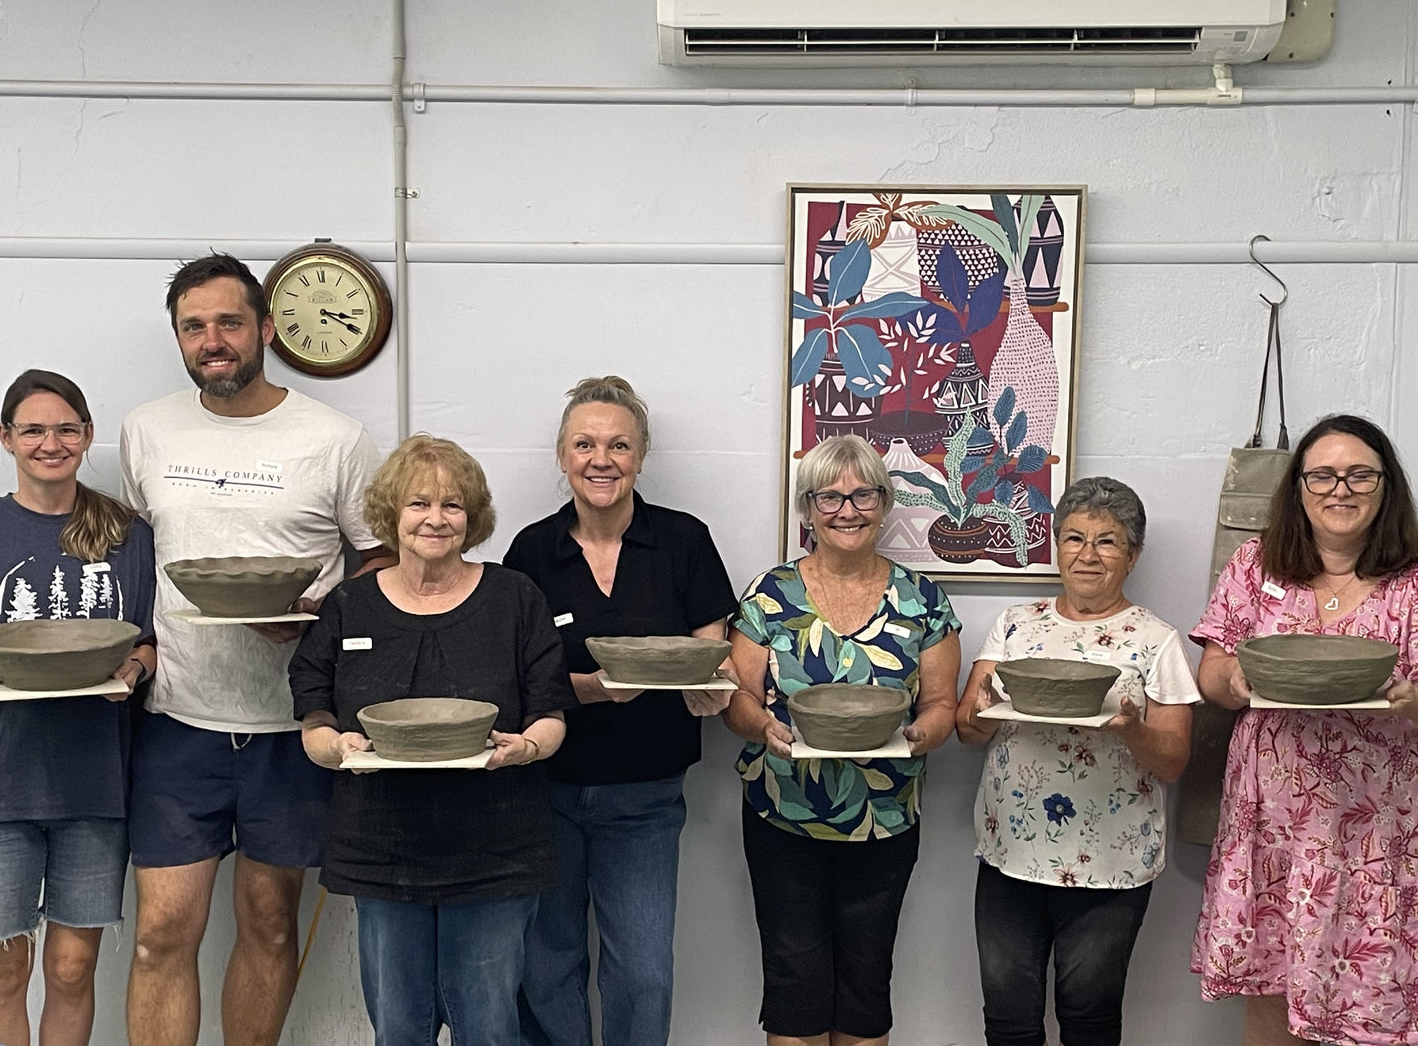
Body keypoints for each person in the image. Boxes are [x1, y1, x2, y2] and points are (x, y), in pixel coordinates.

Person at [119, 253, 390, 1046]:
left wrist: (315, 614)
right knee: (161, 932)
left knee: (269, 926)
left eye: (229, 322)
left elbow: (380, 560)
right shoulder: (147, 430)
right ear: (177, 337)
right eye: (193, 326)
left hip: (292, 727)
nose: (213, 340)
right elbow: (133, 557)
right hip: (177, 723)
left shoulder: (334, 439)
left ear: (265, 329)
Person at [288, 435, 573, 1046]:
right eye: (419, 504)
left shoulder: (514, 598)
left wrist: (524, 747)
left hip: (496, 848)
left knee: (489, 1026)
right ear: (392, 513)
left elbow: (551, 715)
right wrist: (338, 748)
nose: (435, 520)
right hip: (381, 848)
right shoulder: (349, 605)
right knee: (399, 1027)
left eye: (453, 506)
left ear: (473, 519)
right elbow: (313, 719)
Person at [504, 376, 737, 1046]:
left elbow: (710, 653)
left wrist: (709, 686)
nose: (600, 459)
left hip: (645, 793)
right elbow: (516, 680)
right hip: (544, 789)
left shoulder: (682, 541)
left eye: (617, 445)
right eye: (584, 443)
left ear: (640, 457)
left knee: (642, 972)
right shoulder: (530, 551)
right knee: (546, 966)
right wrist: (585, 689)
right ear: (561, 455)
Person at [722, 433, 961, 1046]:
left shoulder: (922, 600)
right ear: (807, 509)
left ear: (884, 503)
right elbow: (737, 700)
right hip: (783, 815)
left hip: (884, 818)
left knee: (864, 984)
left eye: (863, 495)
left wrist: (916, 736)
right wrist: (765, 727)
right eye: (829, 497)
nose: (847, 510)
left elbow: (940, 705)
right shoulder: (770, 595)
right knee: (795, 984)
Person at [1190, 414, 1418, 1046]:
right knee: (1271, 987)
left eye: (1359, 474)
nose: (1339, 489)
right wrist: (1233, 681)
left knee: (1373, 998)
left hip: (1376, 832)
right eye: (1321, 474)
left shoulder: (1415, 581)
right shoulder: (1253, 564)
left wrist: (1410, 700)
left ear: (1386, 486)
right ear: (1297, 488)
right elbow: (1210, 671)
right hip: (1271, 825)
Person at [954, 476, 1198, 1046]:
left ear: (1133, 556)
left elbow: (1174, 760)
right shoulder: (1015, 625)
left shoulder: (1155, 640)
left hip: (1110, 863)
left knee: (1088, 1019)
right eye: (1074, 538)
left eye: (1107, 541)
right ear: (1055, 544)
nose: (1088, 554)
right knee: (1009, 1021)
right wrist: (983, 713)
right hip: (1010, 855)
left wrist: (1134, 729)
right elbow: (968, 730)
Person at [0, 370, 155, 1046]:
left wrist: (135, 670)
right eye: (33, 430)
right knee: (1, 970)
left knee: (75, 969)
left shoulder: (126, 533)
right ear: (6, 438)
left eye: (65, 429)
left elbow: (149, 640)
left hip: (95, 784)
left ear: (86, 435)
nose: (51, 443)